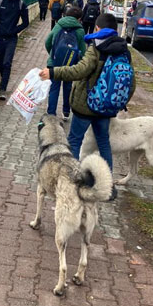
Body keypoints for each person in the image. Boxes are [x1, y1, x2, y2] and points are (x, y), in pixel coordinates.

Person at [38, 13, 130, 200]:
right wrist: (118, 102)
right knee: (103, 142)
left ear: (97, 28)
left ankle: (72, 183)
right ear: (116, 29)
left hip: (86, 105)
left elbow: (79, 70)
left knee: (74, 141)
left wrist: (54, 72)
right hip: (107, 108)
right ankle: (108, 186)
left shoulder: (96, 47)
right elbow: (130, 82)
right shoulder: (123, 50)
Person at [45, 6, 87, 121]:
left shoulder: (58, 25)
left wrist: (53, 55)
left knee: (54, 87)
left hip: (54, 63)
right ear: (79, 19)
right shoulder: (80, 30)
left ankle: (51, 113)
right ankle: (66, 112)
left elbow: (47, 41)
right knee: (68, 87)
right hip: (70, 64)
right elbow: (83, 51)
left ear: (66, 14)